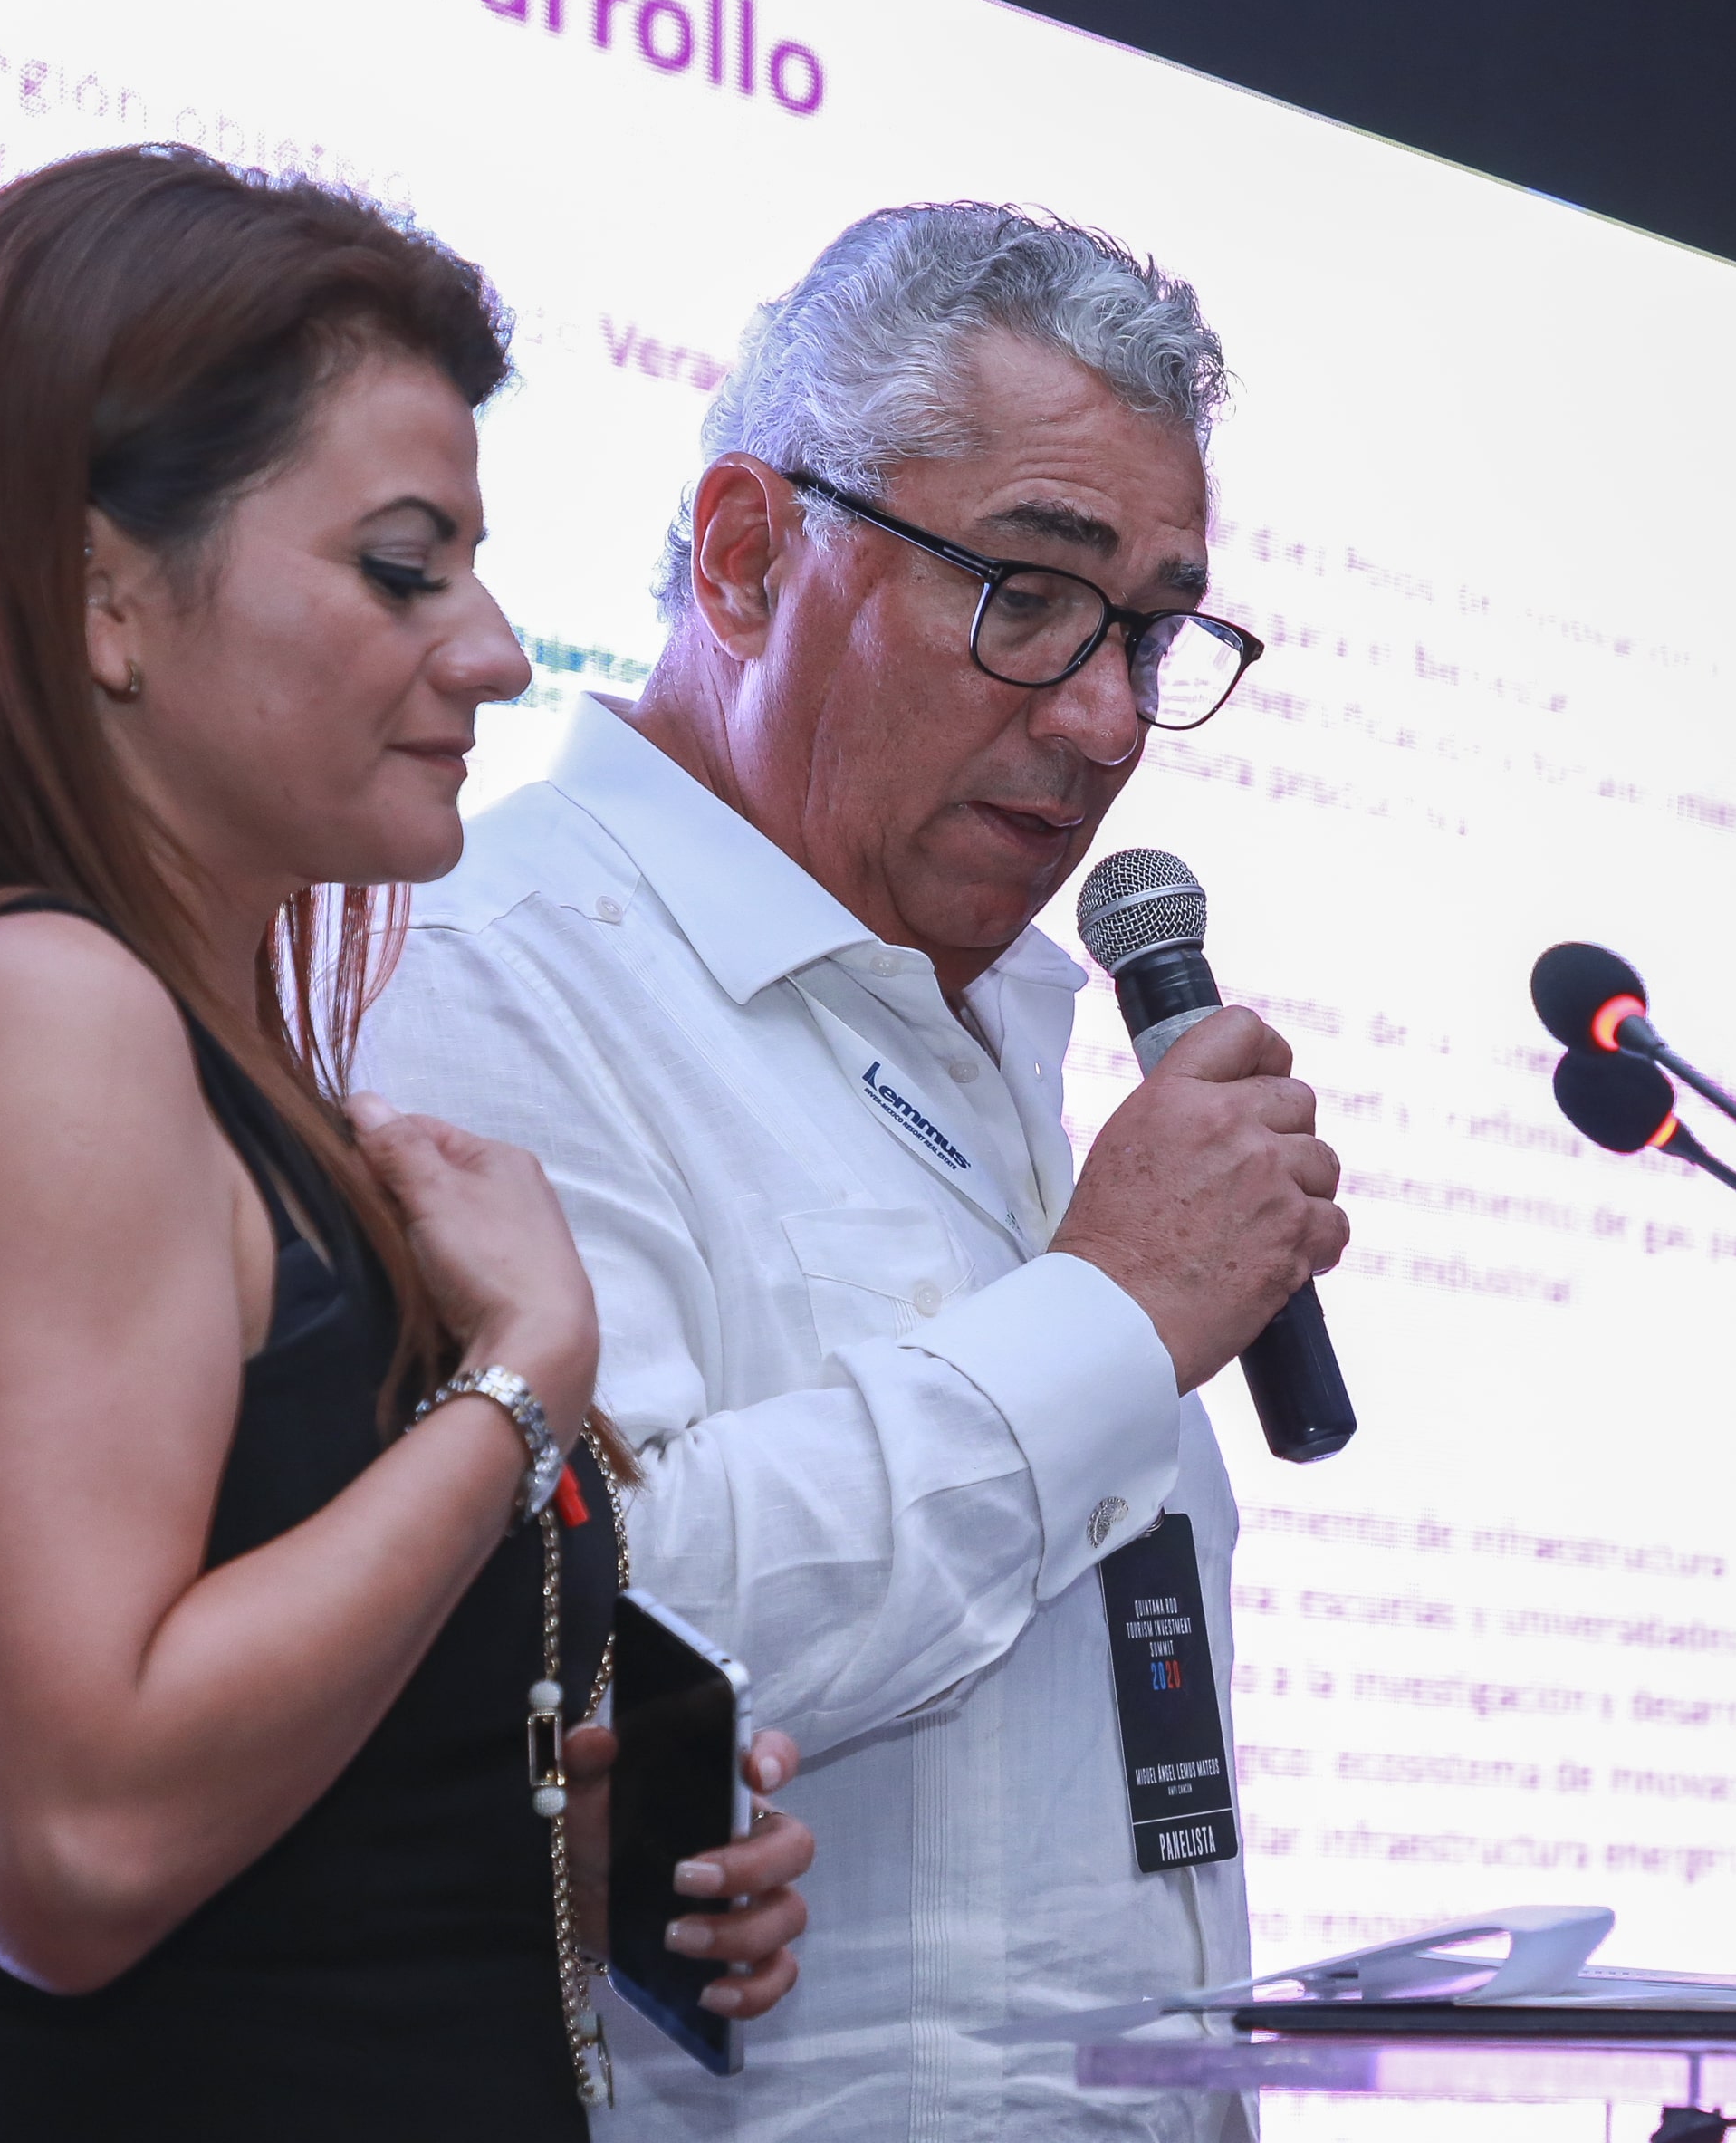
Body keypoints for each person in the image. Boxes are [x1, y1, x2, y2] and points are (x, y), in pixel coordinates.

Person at [0, 145, 810, 2142]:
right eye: (403, 567)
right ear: (100, 597)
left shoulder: (168, 1049)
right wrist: (524, 1379)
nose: (494, 651)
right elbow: (74, 1846)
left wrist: (518, 1853)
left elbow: (223, 1860)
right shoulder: (33, 1014)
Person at [359, 202, 1347, 2140]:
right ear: (748, 555)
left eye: (1152, 632)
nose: (1106, 718)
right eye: (1028, 595)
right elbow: (579, 1644)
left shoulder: (996, 1031)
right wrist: (1111, 1315)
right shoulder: (487, 968)